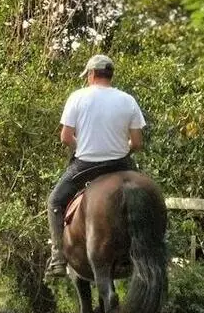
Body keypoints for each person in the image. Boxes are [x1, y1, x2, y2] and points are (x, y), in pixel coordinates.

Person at [43, 54, 146, 278]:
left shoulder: (78, 97)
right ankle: (155, 248)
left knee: (55, 202)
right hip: (120, 164)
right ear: (111, 75)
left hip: (86, 165)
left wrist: (83, 145)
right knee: (146, 200)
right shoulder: (127, 100)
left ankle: (58, 258)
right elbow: (137, 143)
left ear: (91, 75)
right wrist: (121, 148)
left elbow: (65, 137)